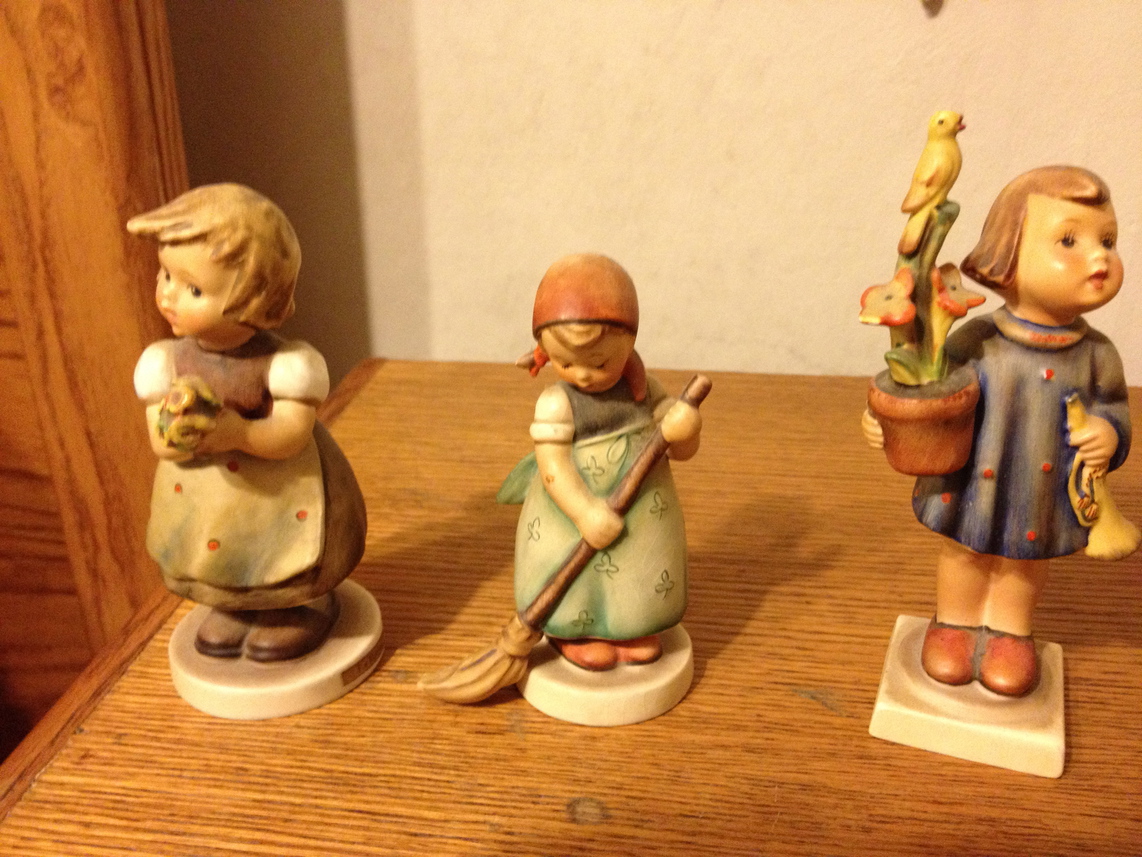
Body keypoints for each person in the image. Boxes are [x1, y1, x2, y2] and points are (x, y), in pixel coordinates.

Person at [864, 166, 1130, 696]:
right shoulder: (976, 339)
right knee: (964, 552)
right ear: (1007, 253)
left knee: (1022, 564)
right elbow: (930, 388)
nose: (1099, 257)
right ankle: (954, 624)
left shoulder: (1097, 355)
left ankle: (1010, 633)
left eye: (1107, 241)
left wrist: (1109, 433)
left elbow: (1115, 409)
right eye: (1069, 241)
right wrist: (888, 422)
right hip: (974, 482)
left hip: (1041, 489)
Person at [131, 184, 366, 662]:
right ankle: (234, 608)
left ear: (255, 298)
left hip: (277, 493)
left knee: (277, 554)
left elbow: (291, 434)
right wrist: (177, 437)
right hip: (203, 497)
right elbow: (160, 439)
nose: (168, 295)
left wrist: (238, 433)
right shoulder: (163, 362)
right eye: (165, 275)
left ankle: (292, 610)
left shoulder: (285, 366)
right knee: (221, 558)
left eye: (193, 289)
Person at [504, 254, 702, 671]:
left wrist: (685, 429)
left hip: (642, 509)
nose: (583, 375)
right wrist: (584, 511)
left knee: (637, 566)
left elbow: (680, 448)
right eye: (565, 362)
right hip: (574, 512)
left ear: (629, 342)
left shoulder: (646, 392)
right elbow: (553, 466)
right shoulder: (556, 403)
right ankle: (575, 633)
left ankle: (631, 628)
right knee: (578, 576)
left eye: (599, 362)